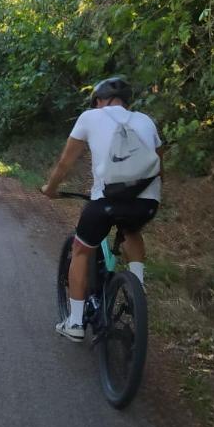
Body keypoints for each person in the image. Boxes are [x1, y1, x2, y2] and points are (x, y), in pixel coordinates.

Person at [42, 76, 163, 341]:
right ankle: (137, 291)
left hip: (107, 201)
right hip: (147, 203)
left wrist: (50, 188)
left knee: (82, 250)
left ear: (98, 100)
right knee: (131, 230)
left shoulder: (89, 117)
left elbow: (65, 163)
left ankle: (74, 322)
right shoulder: (145, 121)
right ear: (125, 102)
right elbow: (158, 164)